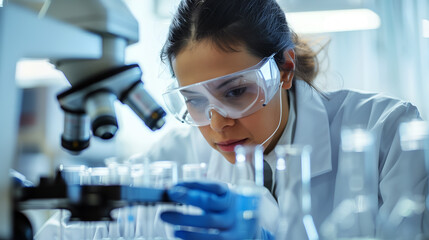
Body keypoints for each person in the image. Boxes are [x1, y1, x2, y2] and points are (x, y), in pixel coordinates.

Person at [35, 0, 428, 239]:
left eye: (236, 91)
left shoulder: (388, 132)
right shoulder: (176, 155)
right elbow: (73, 229)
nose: (217, 124)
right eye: (194, 100)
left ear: (285, 69)